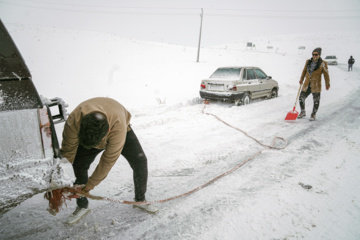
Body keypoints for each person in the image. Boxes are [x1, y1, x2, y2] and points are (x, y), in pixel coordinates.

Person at [60, 97, 158, 225]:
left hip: (119, 124)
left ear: (108, 132)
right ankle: (82, 206)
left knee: (140, 161)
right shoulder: (74, 122)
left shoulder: (118, 130)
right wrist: (59, 182)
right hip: (91, 131)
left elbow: (107, 161)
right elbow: (68, 151)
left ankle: (140, 200)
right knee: (79, 165)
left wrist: (88, 187)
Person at [298, 47, 330, 121]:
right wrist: (301, 79)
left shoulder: (323, 63)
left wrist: (327, 83)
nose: (314, 56)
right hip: (307, 84)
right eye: (313, 54)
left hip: (316, 85)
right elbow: (304, 71)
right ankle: (303, 111)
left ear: (319, 55)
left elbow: (326, 74)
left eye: (316, 54)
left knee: (316, 100)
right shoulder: (308, 62)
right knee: (301, 98)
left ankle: (313, 114)